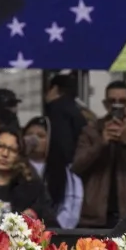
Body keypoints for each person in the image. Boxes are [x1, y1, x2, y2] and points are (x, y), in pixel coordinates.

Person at [72, 109, 126, 229]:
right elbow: (77, 167)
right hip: (94, 216)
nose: (117, 107)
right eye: (113, 101)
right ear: (106, 104)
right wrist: (101, 143)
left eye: (122, 102)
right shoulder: (90, 132)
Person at [21, 116, 82, 229]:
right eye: (29, 134)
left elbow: (71, 204)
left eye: (41, 136)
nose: (33, 139)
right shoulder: (18, 167)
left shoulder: (64, 171)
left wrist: (56, 230)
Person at [39, 72, 86, 209]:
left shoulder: (57, 110)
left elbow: (60, 146)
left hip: (61, 173)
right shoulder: (77, 112)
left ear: (55, 89)